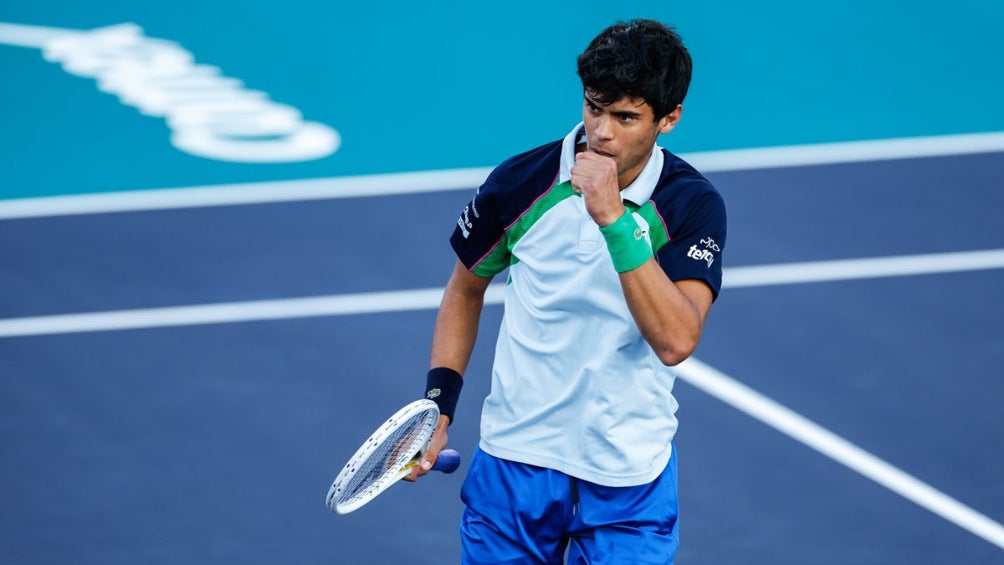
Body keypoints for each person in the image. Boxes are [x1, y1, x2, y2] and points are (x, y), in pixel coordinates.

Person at [411, 19, 727, 564]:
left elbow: (676, 340)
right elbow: (464, 292)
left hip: (627, 481)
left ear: (668, 119)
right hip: (514, 467)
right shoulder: (520, 182)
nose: (602, 132)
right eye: (594, 107)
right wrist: (438, 408)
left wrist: (612, 218)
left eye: (626, 117)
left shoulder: (690, 206)